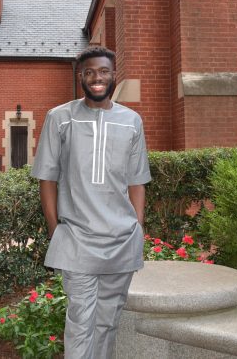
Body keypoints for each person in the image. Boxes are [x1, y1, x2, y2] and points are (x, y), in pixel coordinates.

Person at [31, 46, 151, 358]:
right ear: (80, 76)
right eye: (89, 73)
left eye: (103, 72)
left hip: (121, 241)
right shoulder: (59, 118)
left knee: (108, 322)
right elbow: (48, 179)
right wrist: (56, 230)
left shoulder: (132, 121)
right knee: (81, 320)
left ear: (114, 75)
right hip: (77, 240)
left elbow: (137, 180)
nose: (96, 78)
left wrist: (137, 227)